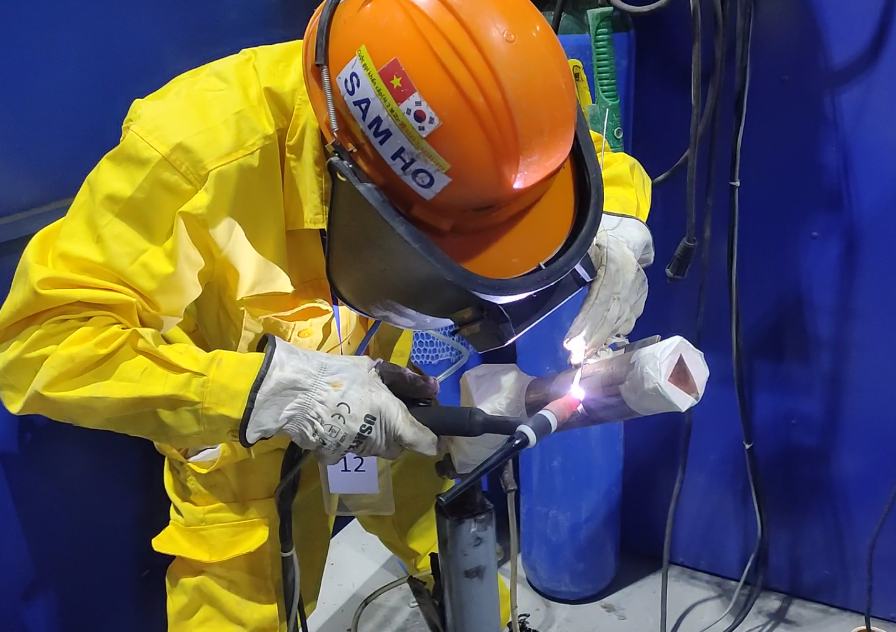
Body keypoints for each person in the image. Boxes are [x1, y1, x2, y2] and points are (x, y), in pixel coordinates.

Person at [0, 0, 652, 630]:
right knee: (244, 606)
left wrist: (613, 222)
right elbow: (39, 342)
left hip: (388, 402)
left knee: (449, 537)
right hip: (246, 457)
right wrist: (274, 393)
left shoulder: (487, 101)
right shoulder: (195, 152)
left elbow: (564, 159)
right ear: (351, 175)